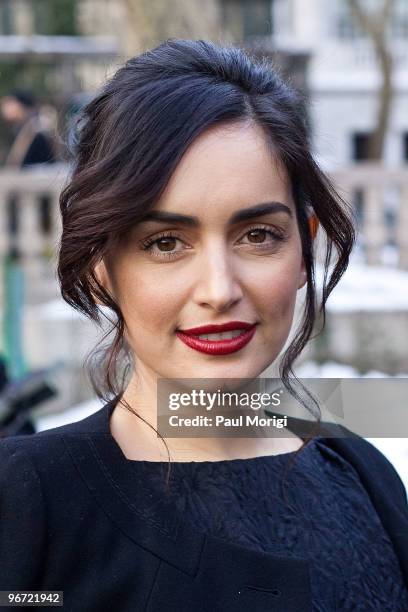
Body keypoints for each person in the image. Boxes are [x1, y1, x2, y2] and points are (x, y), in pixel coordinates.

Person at [0, 40, 407, 611]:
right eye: (165, 243)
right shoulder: (28, 503)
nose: (219, 289)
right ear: (103, 267)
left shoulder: (360, 473)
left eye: (258, 235)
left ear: (304, 248)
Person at [0, 89, 56, 168]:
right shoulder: (16, 130)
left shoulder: (38, 134)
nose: (4, 109)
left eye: (10, 103)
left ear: (21, 106)